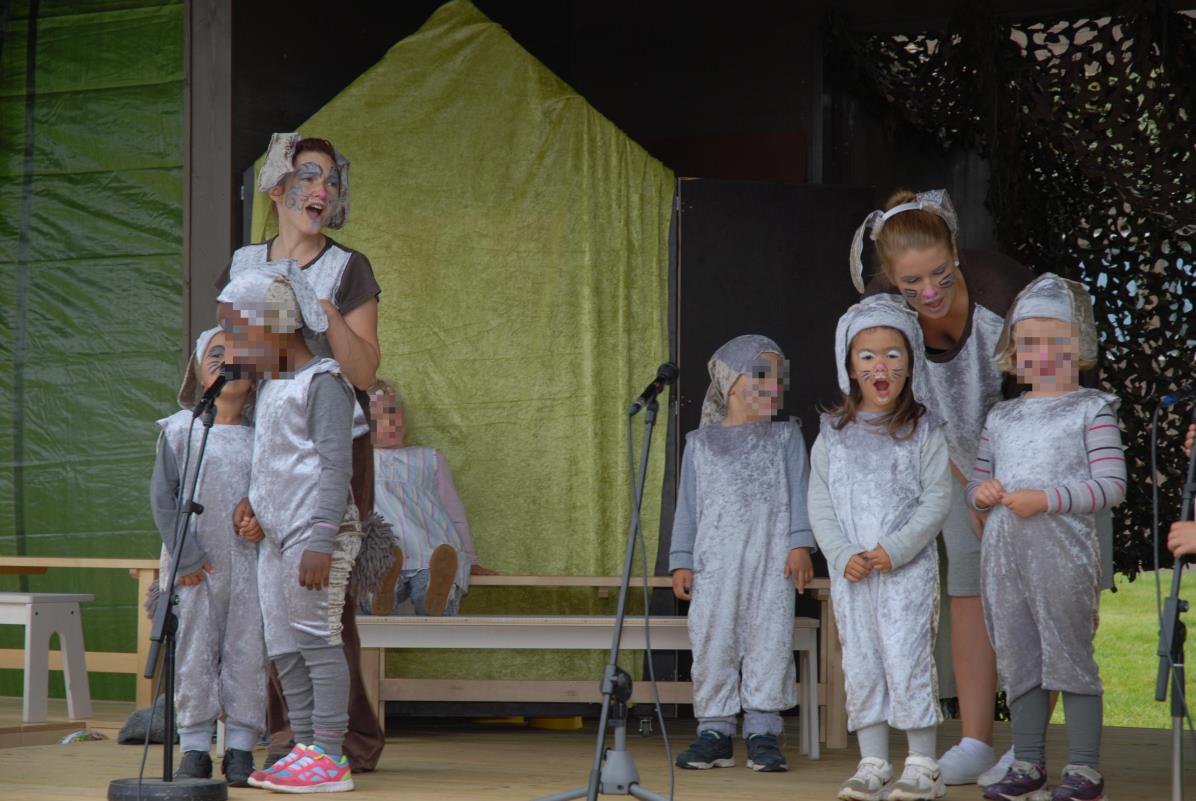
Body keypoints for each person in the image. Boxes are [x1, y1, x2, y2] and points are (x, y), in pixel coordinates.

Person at [856, 188, 1113, 785]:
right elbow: (900, 399)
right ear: (890, 281)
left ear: (957, 251)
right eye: (910, 283)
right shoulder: (888, 315)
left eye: (940, 275)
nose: (927, 293)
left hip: (1053, 460)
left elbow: (1053, 388)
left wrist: (1010, 491)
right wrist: (973, 488)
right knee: (971, 591)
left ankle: (1029, 750)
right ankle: (975, 740)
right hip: (960, 461)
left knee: (1047, 601)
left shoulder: (1004, 292)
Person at [216, 132, 385, 770]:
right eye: (308, 176)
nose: (322, 190)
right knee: (270, 601)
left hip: (330, 440)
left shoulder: (348, 268)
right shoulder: (241, 263)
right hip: (263, 443)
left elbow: (365, 374)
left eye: (331, 180)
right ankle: (290, 737)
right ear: (278, 184)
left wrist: (322, 312)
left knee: (322, 595)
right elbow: (233, 358)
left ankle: (343, 742)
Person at [967, 273, 1125, 801]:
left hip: (1063, 557)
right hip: (1005, 560)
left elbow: (1109, 486)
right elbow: (976, 481)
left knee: (1069, 655)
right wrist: (983, 492)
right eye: (1029, 342)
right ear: (1015, 350)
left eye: (1055, 340)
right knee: (1019, 657)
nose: (1042, 353)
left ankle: (1083, 768)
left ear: (1076, 345)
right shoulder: (1002, 415)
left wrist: (1046, 499)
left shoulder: (1092, 409)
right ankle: (1028, 763)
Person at [218, 261, 361, 793]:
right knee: (282, 644)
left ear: (275, 325)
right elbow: (273, 461)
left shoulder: (322, 382)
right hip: (275, 539)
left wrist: (321, 538)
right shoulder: (271, 387)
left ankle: (329, 756)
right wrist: (249, 504)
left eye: (238, 329)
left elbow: (333, 466)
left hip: (315, 535)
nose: (231, 343)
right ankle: (304, 746)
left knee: (317, 639)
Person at [808, 296, 952, 801]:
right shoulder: (834, 434)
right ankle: (873, 762)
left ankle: (923, 764)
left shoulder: (923, 432)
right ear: (849, 365)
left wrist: (895, 549)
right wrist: (842, 553)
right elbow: (819, 502)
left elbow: (936, 501)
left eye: (893, 355)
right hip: (853, 573)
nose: (880, 366)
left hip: (904, 572)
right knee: (862, 659)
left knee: (907, 655)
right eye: (867, 356)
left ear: (911, 362)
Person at [669, 336, 815, 773]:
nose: (773, 385)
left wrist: (800, 545)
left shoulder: (786, 436)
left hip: (771, 564)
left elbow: (800, 492)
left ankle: (763, 731)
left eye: (778, 377)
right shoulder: (700, 443)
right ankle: (713, 730)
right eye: (761, 374)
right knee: (714, 641)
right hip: (715, 567)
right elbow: (688, 507)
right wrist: (681, 559)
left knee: (769, 640)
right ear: (732, 384)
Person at [150, 327, 263, 786]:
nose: (227, 360)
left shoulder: (264, 439)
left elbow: (272, 491)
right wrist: (188, 556)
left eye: (240, 354)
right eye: (217, 353)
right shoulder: (180, 431)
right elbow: (163, 497)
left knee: (248, 651)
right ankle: (194, 745)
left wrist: (261, 518)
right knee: (195, 651)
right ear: (197, 370)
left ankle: (239, 747)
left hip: (250, 565)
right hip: (194, 567)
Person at [363, 381, 496, 617]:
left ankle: (436, 596)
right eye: (377, 419)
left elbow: (454, 513)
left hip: (431, 550)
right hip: (384, 551)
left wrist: (471, 559)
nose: (390, 422)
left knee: (435, 577)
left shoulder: (429, 458)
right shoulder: (358, 460)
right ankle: (379, 593)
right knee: (372, 574)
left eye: (393, 412)